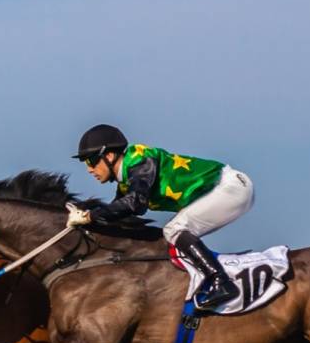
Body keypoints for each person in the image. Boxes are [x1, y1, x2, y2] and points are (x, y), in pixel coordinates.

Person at [67, 124, 252, 310]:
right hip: (226, 189)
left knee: (174, 229)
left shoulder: (140, 159)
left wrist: (90, 216)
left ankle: (221, 281)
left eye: (91, 161)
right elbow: (117, 213)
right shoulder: (127, 178)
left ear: (109, 156)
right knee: (175, 231)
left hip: (231, 188)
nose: (89, 169)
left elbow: (135, 204)